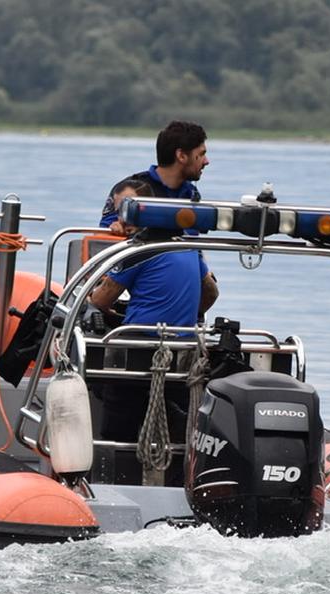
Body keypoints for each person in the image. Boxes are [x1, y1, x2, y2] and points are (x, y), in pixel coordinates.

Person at [88, 121, 219, 453]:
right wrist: (120, 228)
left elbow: (193, 247)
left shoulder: (192, 196)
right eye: (202, 154)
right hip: (134, 290)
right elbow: (109, 243)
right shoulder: (133, 190)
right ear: (181, 155)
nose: (207, 161)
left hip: (178, 309)